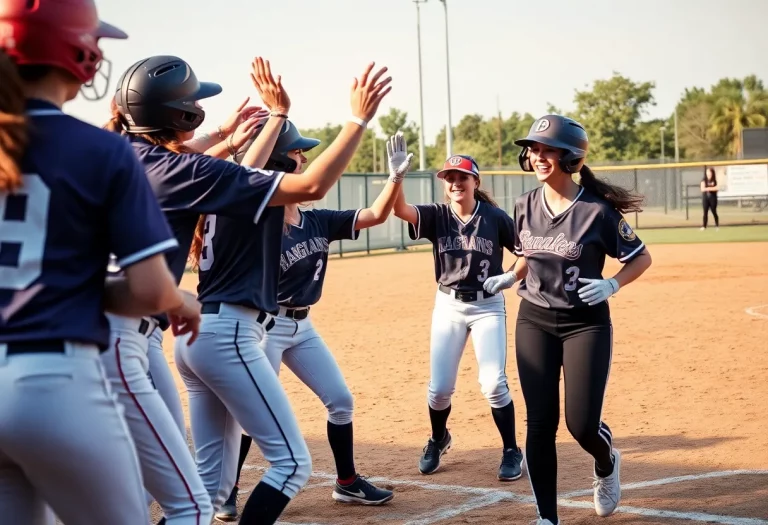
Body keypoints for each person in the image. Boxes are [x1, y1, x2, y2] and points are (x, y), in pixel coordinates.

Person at [109, 53, 391, 525]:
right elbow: (313, 185)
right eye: (298, 149)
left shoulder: (129, 157)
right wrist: (358, 119)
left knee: (201, 488)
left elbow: (204, 165)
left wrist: (249, 130)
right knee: (291, 463)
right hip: (215, 334)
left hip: (181, 337)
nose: (302, 155)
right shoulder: (228, 183)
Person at [0, 1, 200, 523]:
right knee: (188, 508)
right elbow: (153, 293)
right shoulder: (102, 150)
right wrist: (180, 297)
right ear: (77, 52)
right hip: (53, 382)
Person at [207, 129, 413, 520]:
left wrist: (395, 178)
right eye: (299, 153)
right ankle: (229, 489)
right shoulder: (259, 222)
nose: (304, 158)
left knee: (341, 401)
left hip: (303, 326)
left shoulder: (317, 220)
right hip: (264, 327)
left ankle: (347, 483)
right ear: (281, 163)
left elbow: (375, 215)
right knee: (252, 414)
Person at [100, 94, 272, 525]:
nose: (198, 107)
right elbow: (181, 169)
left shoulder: (116, 158)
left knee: (166, 450)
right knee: (181, 489)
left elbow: (180, 164)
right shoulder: (149, 165)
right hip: (122, 333)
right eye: (191, 100)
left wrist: (227, 135)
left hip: (127, 332)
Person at [497, 114, 652, 525]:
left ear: (571, 158)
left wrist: (612, 285)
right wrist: (510, 274)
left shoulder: (597, 211)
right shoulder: (524, 204)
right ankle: (547, 517)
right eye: (533, 149)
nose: (538, 156)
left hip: (586, 324)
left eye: (548, 149)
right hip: (534, 320)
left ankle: (606, 462)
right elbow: (528, 254)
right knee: (540, 422)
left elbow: (641, 258)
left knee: (581, 425)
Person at [391, 154, 524, 482]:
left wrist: (509, 276)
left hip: (488, 306)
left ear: (475, 182)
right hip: (448, 306)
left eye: (462, 177)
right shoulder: (436, 215)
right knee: (439, 390)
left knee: (493, 383)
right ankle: (439, 439)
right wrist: (396, 179)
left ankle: (511, 449)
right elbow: (399, 210)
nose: (455, 182)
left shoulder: (494, 217)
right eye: (449, 178)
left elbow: (526, 253)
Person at [700, 166, 719, 230]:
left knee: (714, 211)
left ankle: (717, 225)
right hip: (706, 198)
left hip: (713, 198)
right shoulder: (704, 180)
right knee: (705, 212)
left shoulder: (714, 180)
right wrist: (710, 188)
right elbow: (702, 189)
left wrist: (708, 188)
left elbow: (716, 188)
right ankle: (704, 226)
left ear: (712, 173)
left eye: (709, 172)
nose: (708, 173)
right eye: (707, 172)